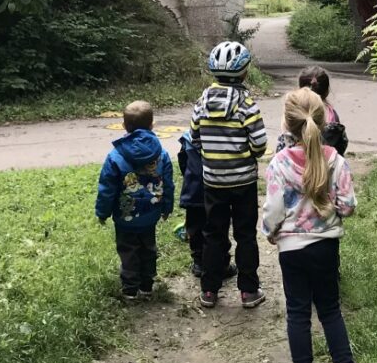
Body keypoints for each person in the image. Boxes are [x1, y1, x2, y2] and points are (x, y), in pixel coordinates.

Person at [261, 86, 369, 363]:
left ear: (286, 123)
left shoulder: (279, 164)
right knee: (330, 310)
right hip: (325, 247)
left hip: (291, 250)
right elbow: (347, 206)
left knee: (297, 313)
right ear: (323, 121)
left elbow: (273, 210)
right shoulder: (335, 160)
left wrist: (270, 231)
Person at [192, 40, 268, 309]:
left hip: (213, 181)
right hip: (243, 181)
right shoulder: (247, 104)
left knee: (213, 234)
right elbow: (260, 144)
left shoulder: (201, 102)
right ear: (244, 72)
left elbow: (195, 139)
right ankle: (248, 291)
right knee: (245, 234)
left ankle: (209, 291)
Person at [95, 100, 174, 302]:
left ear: (124, 126)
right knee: (148, 247)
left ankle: (130, 289)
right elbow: (168, 184)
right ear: (152, 125)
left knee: (128, 249)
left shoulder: (115, 156)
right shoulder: (162, 154)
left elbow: (107, 188)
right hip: (150, 214)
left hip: (125, 216)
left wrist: (102, 212)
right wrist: (167, 207)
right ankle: (146, 286)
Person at [176, 129, 236, 281]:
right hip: (216, 191)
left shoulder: (188, 138)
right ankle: (222, 263)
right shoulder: (221, 135)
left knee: (195, 229)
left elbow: (183, 163)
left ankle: (199, 263)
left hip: (193, 192)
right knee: (219, 228)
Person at [293, 65, 347, 156]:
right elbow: (340, 147)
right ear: (327, 91)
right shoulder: (332, 115)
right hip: (329, 162)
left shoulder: (293, 114)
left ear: (300, 89)